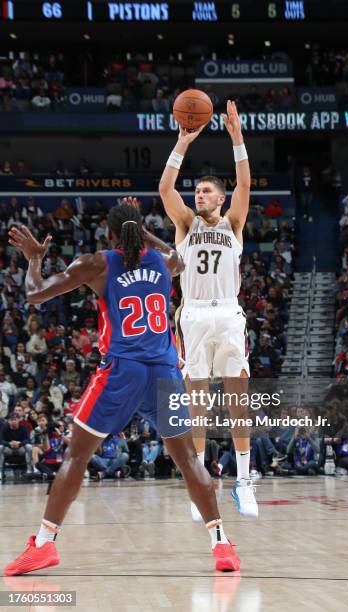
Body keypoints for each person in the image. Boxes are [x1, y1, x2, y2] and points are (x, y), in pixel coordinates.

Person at [4, 203, 240, 576]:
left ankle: (45, 544)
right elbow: (177, 255)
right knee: (189, 460)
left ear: (110, 235)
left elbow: (36, 294)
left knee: (76, 458)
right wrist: (143, 230)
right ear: (139, 230)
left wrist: (34, 259)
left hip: (122, 371)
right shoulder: (164, 263)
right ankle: (221, 544)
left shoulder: (96, 262)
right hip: (165, 371)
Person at [159, 100, 257, 521]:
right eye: (196, 191)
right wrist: (181, 144)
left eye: (205, 191)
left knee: (238, 395)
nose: (198, 195)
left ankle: (244, 480)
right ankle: (201, 484)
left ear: (220, 197)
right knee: (196, 402)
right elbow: (166, 190)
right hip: (194, 314)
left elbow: (245, 187)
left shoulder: (233, 223)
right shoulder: (185, 224)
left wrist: (237, 139)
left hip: (229, 313)